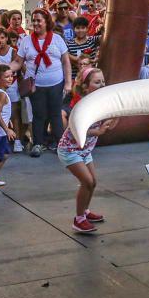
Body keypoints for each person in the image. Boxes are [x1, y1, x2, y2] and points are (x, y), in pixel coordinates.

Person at [57, 67, 117, 233]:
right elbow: (75, 128)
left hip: (85, 150)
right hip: (70, 150)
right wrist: (97, 132)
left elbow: (111, 126)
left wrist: (118, 113)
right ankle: (78, 219)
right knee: (87, 182)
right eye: (97, 82)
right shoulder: (79, 104)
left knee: (93, 182)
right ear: (85, 86)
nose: (102, 85)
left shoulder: (102, 102)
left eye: (103, 81)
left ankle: (85, 211)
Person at [15, 9, 72, 157]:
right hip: (36, 86)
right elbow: (18, 62)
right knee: (38, 115)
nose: (35, 23)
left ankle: (60, 145)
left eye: (38, 20)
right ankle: (38, 144)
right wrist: (6, 70)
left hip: (56, 83)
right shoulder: (26, 41)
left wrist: (68, 83)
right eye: (33, 20)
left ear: (46, 22)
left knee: (55, 115)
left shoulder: (57, 39)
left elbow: (66, 61)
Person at [0, 27, 24, 153]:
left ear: (7, 38)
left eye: (2, 38)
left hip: (12, 84)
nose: (0, 41)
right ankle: (4, 136)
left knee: (14, 113)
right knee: (0, 110)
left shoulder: (13, 51)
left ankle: (18, 140)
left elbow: (12, 69)